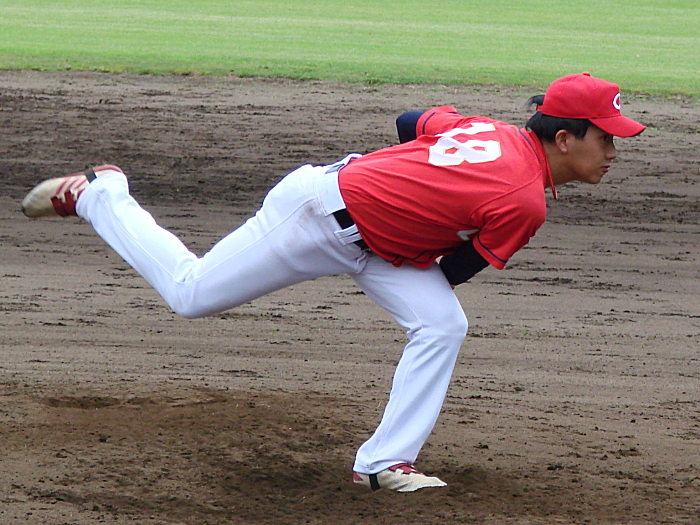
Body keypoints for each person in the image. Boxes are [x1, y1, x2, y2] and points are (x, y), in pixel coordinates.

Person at [21, 72, 645, 493]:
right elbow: (454, 270)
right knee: (190, 294)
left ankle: (383, 463)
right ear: (564, 138)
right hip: (315, 218)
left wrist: (417, 193)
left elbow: (411, 120)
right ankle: (103, 194)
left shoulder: (489, 129)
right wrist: (411, 207)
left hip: (380, 242)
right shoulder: (523, 202)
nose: (614, 151)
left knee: (441, 325)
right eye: (606, 139)